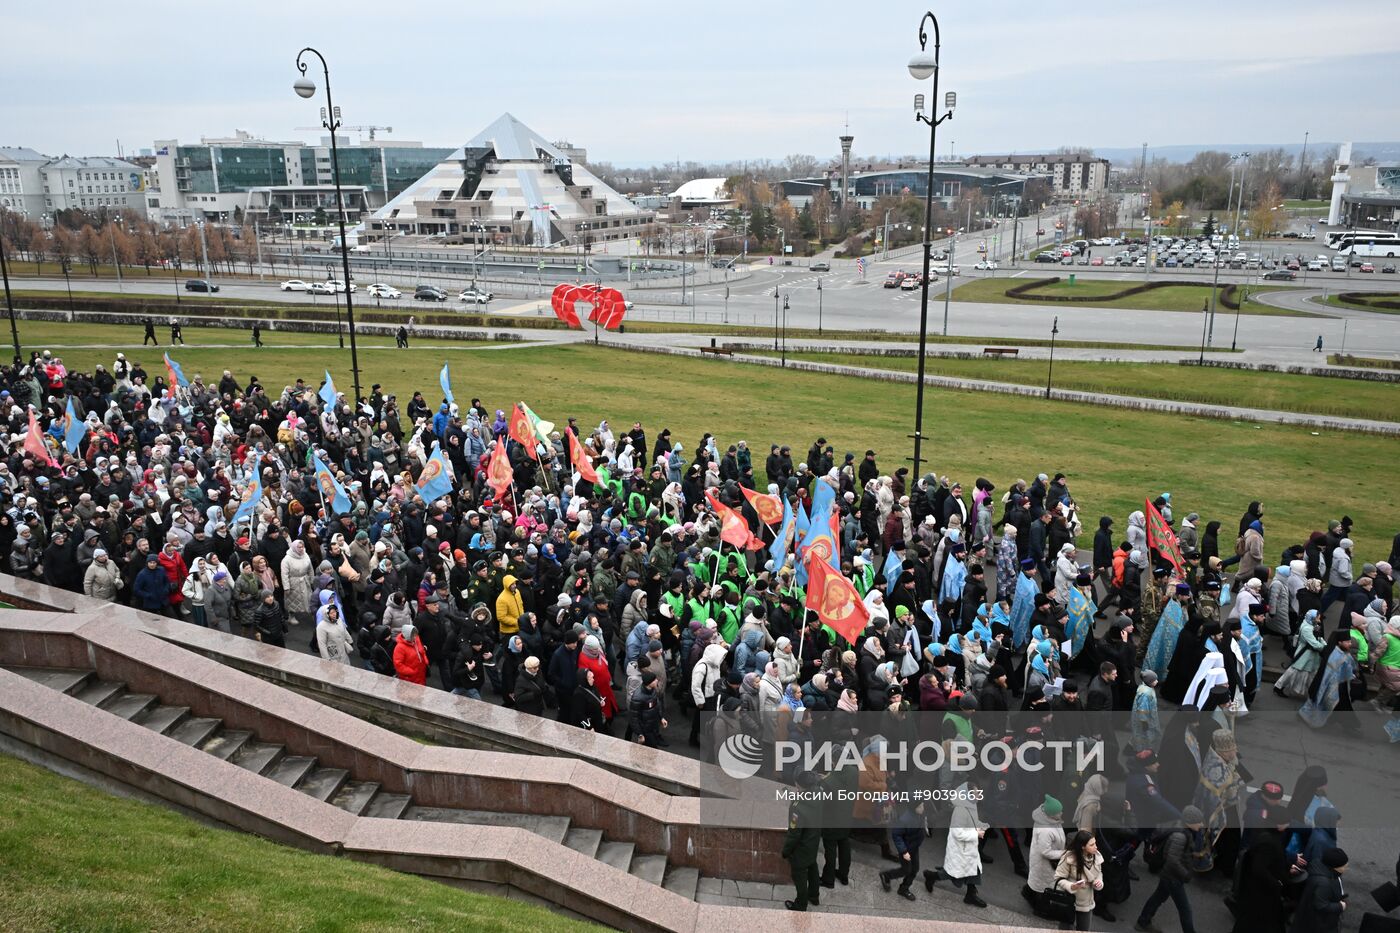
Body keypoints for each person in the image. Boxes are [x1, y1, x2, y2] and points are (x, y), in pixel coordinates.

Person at [1134, 806, 1202, 933]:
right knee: (1185, 909)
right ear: (1189, 822)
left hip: (1169, 876)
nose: (1201, 824)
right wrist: (1186, 874)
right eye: (1198, 821)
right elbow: (1172, 860)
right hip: (1173, 878)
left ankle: (1143, 921)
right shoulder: (1180, 837)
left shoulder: (1183, 830)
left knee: (1158, 898)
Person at [924, 781, 988, 908]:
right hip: (960, 848)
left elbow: (973, 822)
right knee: (953, 872)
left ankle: (971, 894)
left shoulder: (971, 805)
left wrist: (982, 825)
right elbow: (957, 833)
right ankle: (931, 876)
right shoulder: (960, 811)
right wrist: (976, 834)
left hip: (968, 847)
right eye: (975, 793)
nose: (978, 796)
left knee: (973, 870)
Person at [782, 771, 823, 911]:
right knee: (812, 867)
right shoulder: (819, 793)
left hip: (801, 847)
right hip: (814, 841)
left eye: (797, 786)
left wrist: (786, 851)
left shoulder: (797, 807)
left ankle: (800, 904)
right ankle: (814, 896)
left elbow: (794, 834)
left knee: (799, 875)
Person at [1053, 830, 1105, 930]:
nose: (1096, 847)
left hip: (1086, 903)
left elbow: (1099, 873)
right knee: (1065, 929)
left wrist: (1099, 882)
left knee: (1084, 929)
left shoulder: (1097, 856)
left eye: (1095, 843)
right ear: (1083, 846)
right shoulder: (1068, 857)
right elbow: (1058, 878)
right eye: (1092, 844)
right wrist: (1072, 886)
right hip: (1069, 900)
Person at [1289, 847, 1348, 933]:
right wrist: (1340, 906)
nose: (1346, 868)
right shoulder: (1324, 883)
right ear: (1335, 867)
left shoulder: (1318, 867)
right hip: (1318, 924)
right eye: (1343, 866)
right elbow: (1321, 905)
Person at [879, 797, 927, 902]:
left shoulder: (919, 814)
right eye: (920, 806)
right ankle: (886, 875)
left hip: (914, 847)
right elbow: (896, 835)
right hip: (906, 849)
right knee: (906, 870)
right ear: (914, 807)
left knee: (914, 869)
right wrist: (904, 851)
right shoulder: (904, 819)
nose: (923, 807)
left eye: (923, 805)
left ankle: (904, 889)